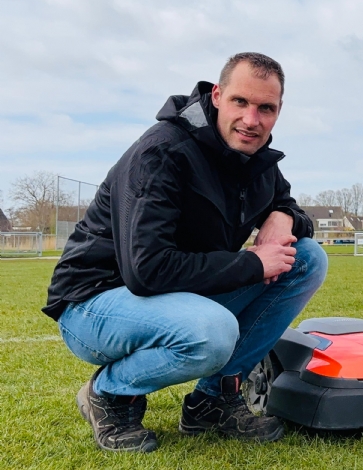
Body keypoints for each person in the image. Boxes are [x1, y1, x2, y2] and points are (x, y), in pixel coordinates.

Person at [42, 53, 328, 453]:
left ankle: (213, 401)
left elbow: (287, 203)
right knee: (211, 331)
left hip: (171, 295)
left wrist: (285, 217)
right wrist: (250, 264)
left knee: (308, 257)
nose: (252, 119)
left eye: (266, 108)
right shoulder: (162, 153)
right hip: (94, 303)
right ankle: (107, 393)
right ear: (217, 96)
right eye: (240, 102)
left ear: (278, 111)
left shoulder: (255, 160)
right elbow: (147, 271)